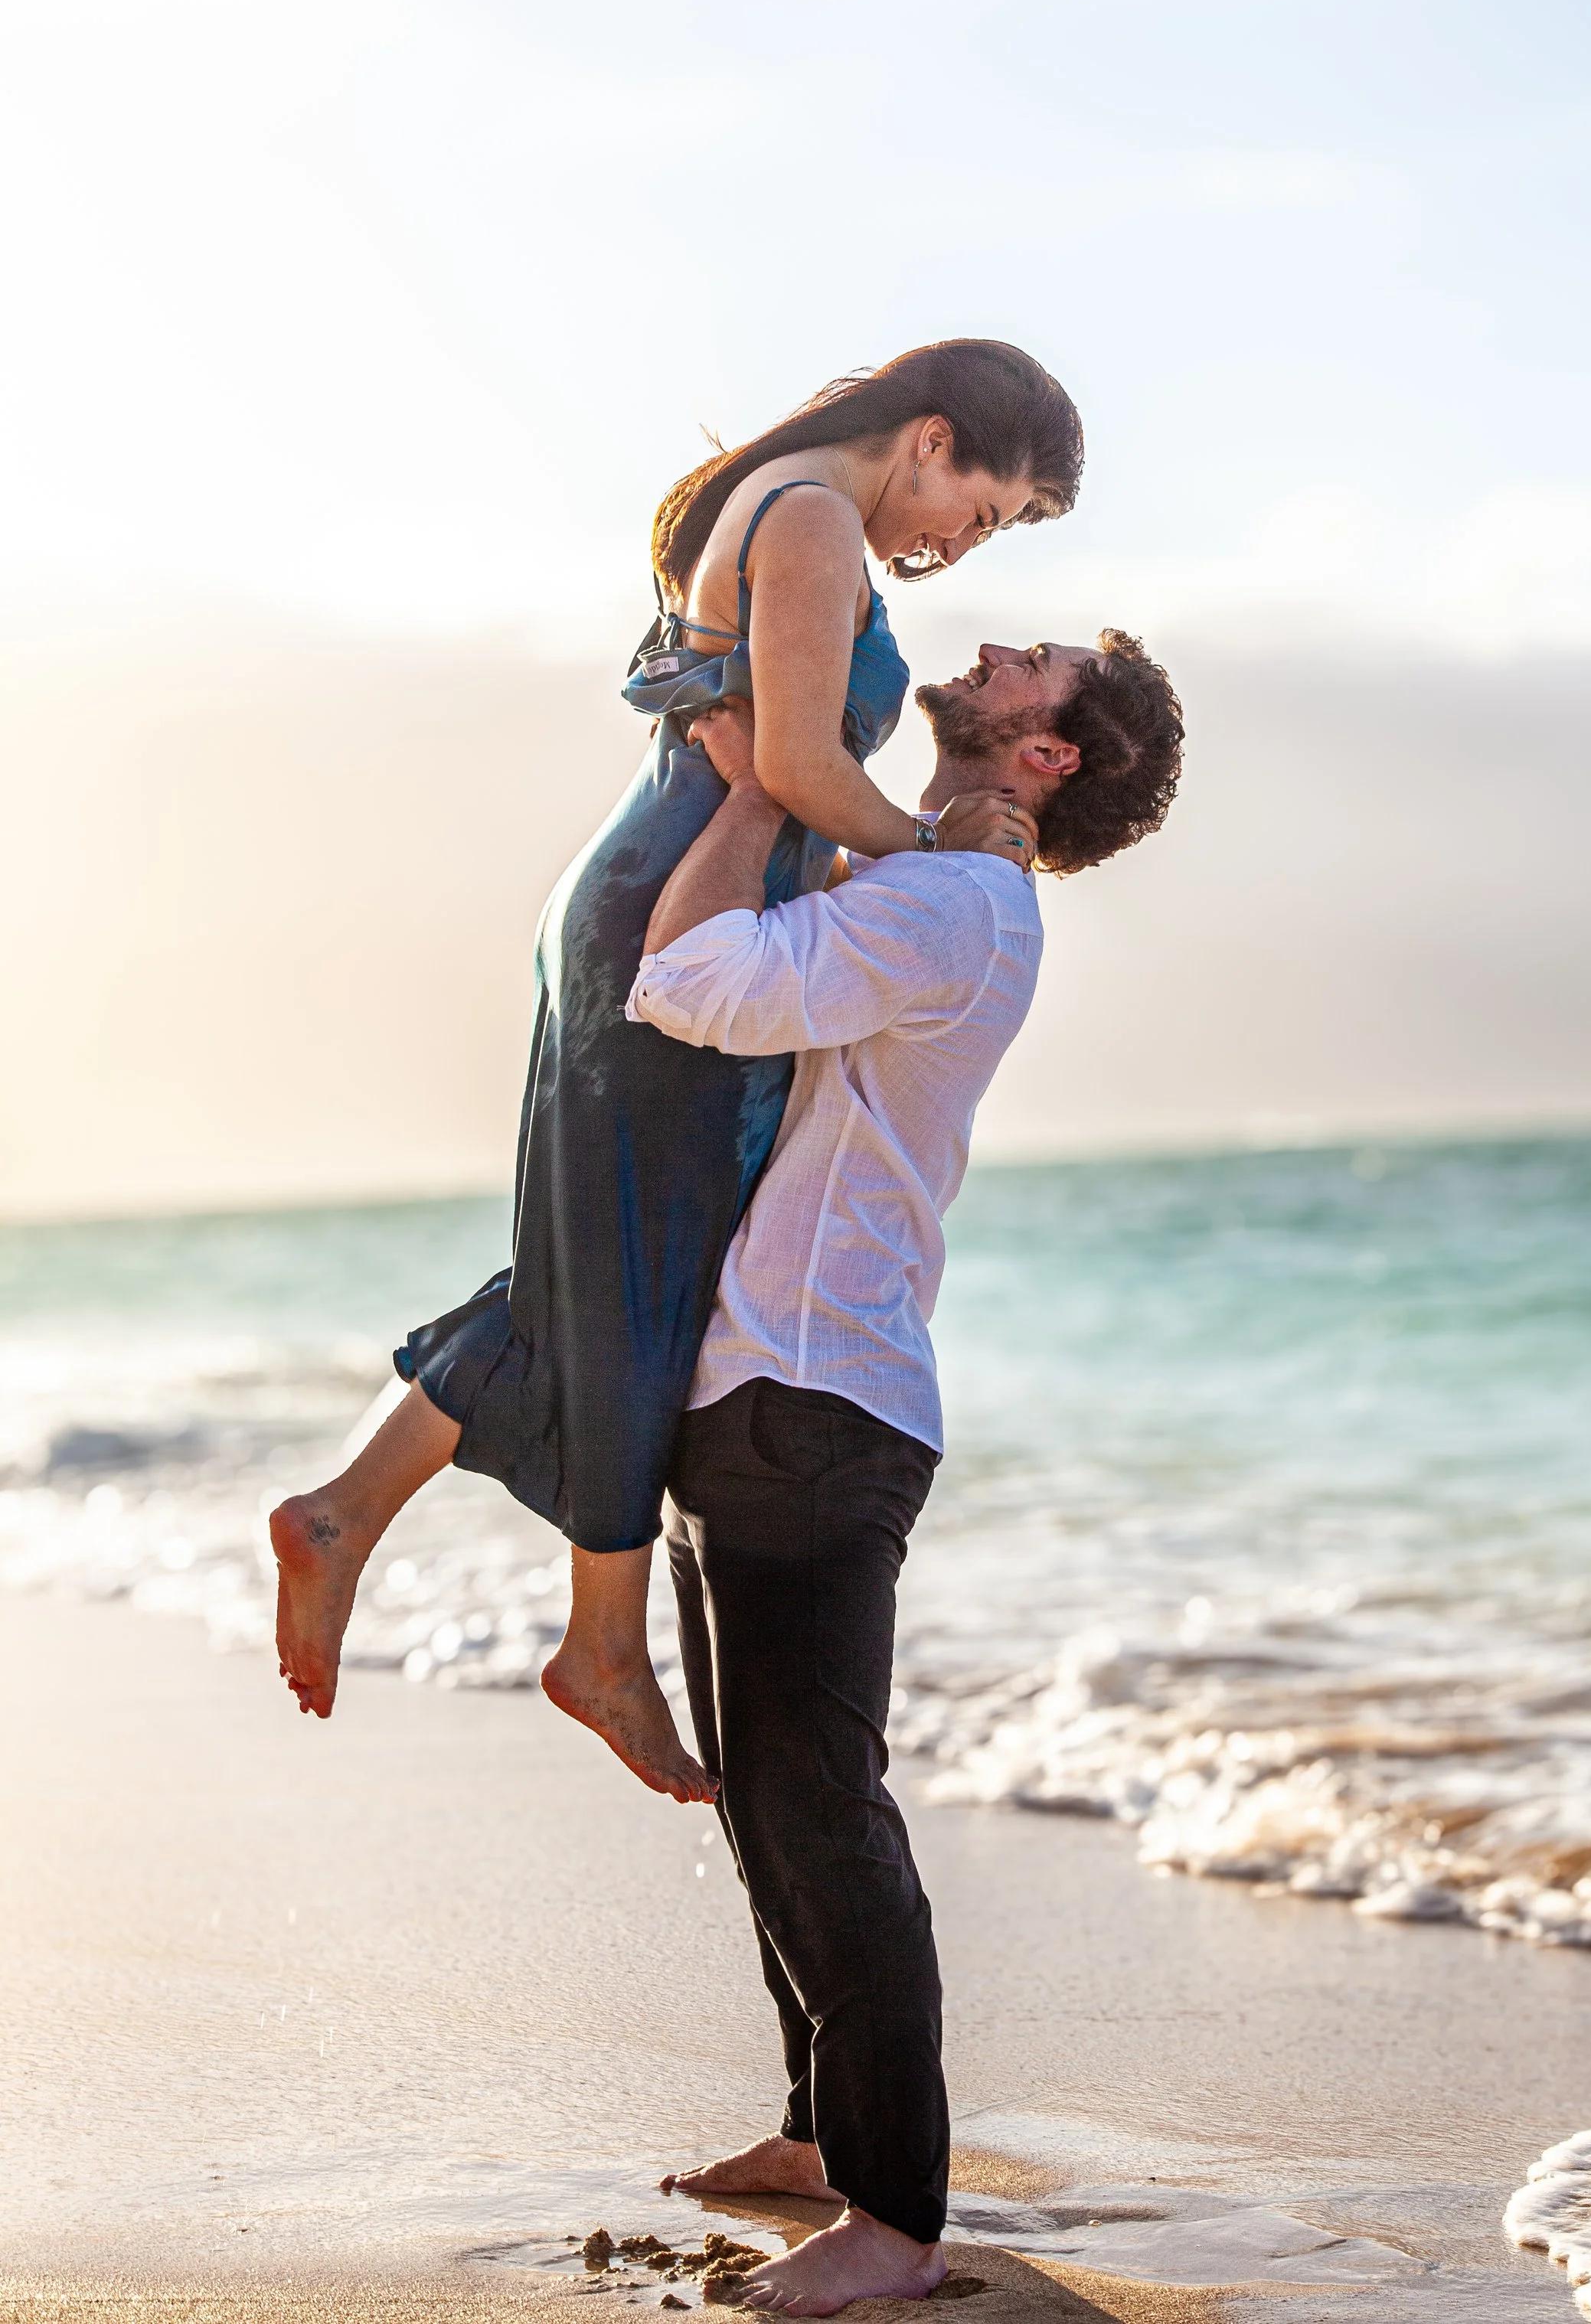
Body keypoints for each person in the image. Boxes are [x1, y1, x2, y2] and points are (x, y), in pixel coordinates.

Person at [270, 341, 1083, 1797]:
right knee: (639, 1271)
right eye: (988, 509)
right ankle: (588, 1642)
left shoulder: (783, 508)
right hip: (665, 927)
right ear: (935, 437)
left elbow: (773, 783)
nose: (968, 546)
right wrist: (937, 844)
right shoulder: (818, 516)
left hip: (662, 903)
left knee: (616, 1261)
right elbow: (799, 771)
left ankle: (374, 1526)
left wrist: (860, 857)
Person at [632, 628, 1184, 2316]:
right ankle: (817, 2132)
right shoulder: (933, 874)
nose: (998, 646)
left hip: (817, 1399)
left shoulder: (952, 904)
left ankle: (895, 2215)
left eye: (1039, 669)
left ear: (1049, 756)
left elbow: (688, 980)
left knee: (818, 1807)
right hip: (772, 1381)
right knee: (766, 1795)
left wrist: (741, 780)